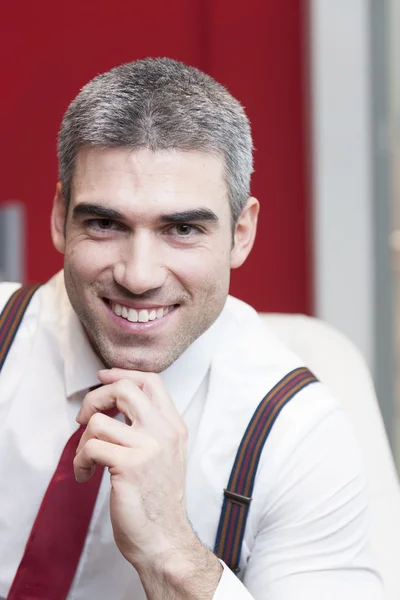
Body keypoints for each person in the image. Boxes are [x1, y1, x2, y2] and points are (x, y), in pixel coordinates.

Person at [0, 58, 383, 600]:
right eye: (106, 223)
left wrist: (171, 554)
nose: (138, 275)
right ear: (61, 218)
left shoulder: (298, 436)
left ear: (241, 233)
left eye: (182, 229)